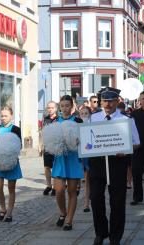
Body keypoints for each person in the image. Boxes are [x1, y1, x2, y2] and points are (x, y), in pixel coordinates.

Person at [89, 87, 140, 245]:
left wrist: (125, 151)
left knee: (117, 201)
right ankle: (100, 232)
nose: (108, 104)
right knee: (96, 198)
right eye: (105, 101)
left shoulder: (127, 119)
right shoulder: (93, 118)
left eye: (111, 101)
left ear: (118, 101)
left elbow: (137, 143)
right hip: (97, 162)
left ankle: (115, 237)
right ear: (101, 102)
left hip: (118, 163)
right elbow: (87, 138)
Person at [52, 95, 84, 231]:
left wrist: (79, 141)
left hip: (73, 159)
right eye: (62, 106)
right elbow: (50, 140)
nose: (64, 108)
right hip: (59, 159)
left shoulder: (78, 120)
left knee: (72, 191)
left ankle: (69, 220)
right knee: (59, 191)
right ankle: (62, 212)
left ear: (72, 107)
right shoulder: (55, 121)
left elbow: (85, 139)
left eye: (67, 106)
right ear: (60, 107)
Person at [0, 106, 22, 223]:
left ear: (11, 116)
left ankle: (9, 212)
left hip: (11, 162)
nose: (3, 118)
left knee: (11, 188)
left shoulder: (16, 129)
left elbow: (19, 146)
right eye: (2, 116)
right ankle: (3, 209)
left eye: (6, 116)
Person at [41, 101, 59, 196]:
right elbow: (42, 132)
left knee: (56, 166)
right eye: (49, 108)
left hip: (56, 147)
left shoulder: (59, 119)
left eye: (52, 108)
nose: (50, 109)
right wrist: (41, 145)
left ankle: (56, 187)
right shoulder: (46, 119)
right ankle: (49, 185)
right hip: (47, 146)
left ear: (56, 108)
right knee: (47, 167)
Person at [79, 106, 92, 212]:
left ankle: (87, 202)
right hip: (81, 156)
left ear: (90, 115)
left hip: (91, 156)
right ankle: (86, 202)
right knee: (84, 180)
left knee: (90, 180)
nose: (84, 115)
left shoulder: (93, 125)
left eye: (86, 113)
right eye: (82, 113)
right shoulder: (76, 126)